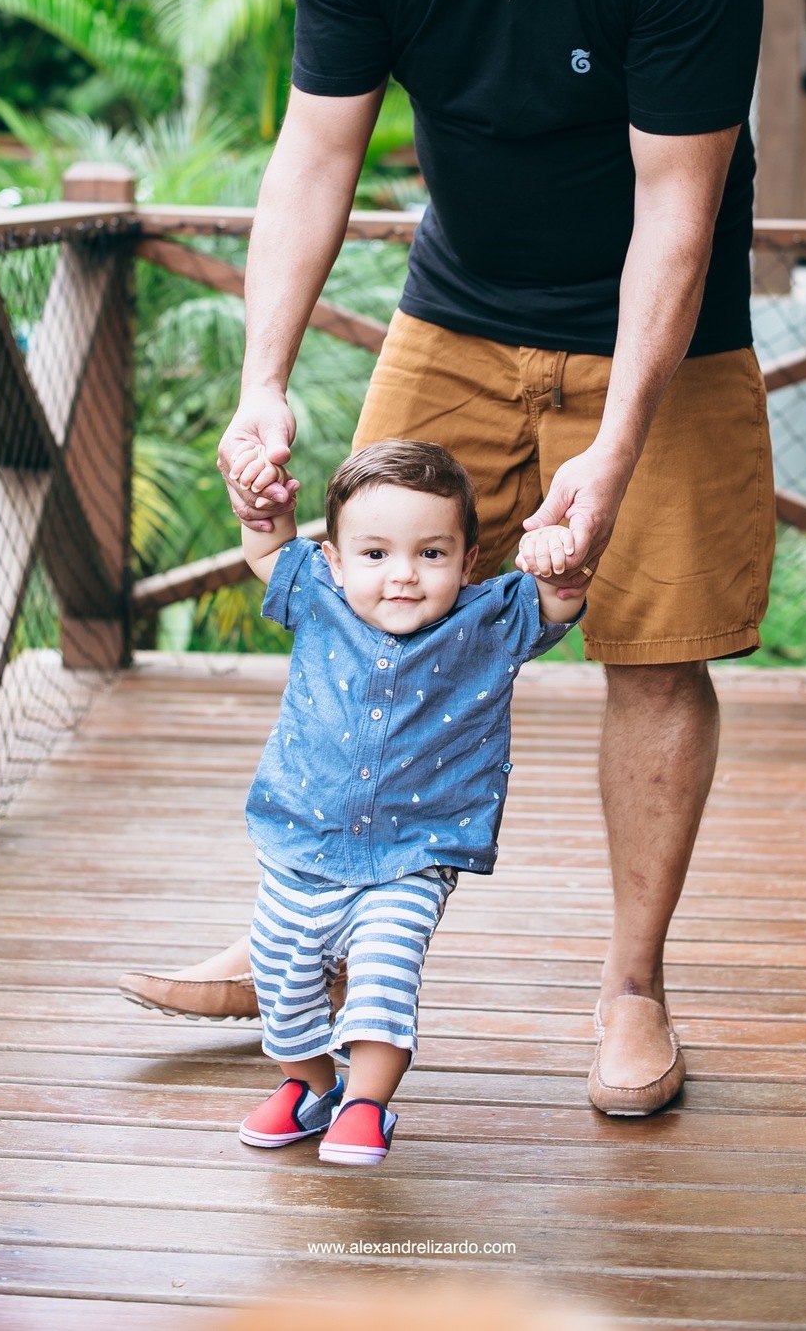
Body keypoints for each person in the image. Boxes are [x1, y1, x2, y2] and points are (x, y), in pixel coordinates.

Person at [119, 0, 774, 1118]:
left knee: (654, 649)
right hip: (457, 307)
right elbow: (317, 151)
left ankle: (630, 989)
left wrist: (614, 443)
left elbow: (678, 207)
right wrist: (263, 377)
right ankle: (310, 946)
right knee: (366, 622)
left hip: (665, 336)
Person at [233, 439, 585, 1165]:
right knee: (278, 973)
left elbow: (558, 599)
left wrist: (561, 557)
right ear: (331, 560)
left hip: (414, 852)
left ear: (468, 559)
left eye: (431, 554)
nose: (402, 576)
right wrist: (262, 508)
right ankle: (307, 1086)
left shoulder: (492, 620)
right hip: (304, 841)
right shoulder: (317, 595)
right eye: (374, 555)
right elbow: (268, 551)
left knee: (384, 976)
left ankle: (366, 1103)